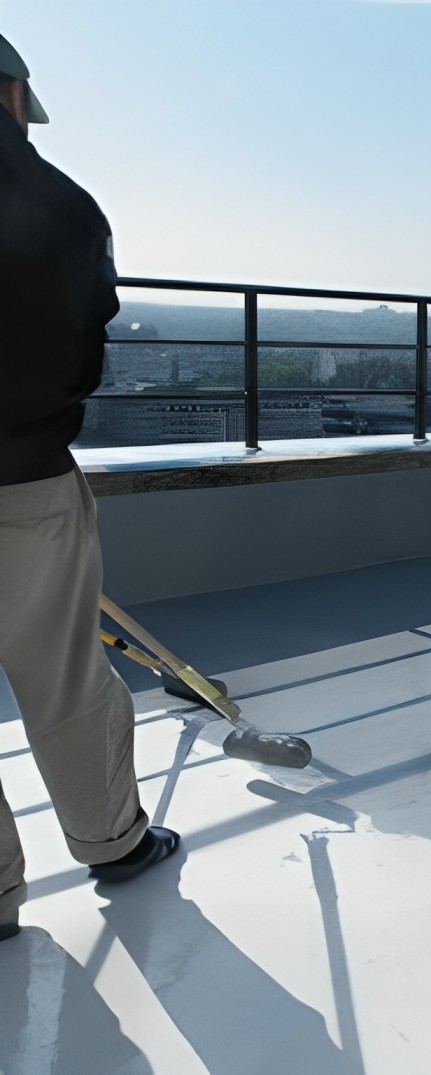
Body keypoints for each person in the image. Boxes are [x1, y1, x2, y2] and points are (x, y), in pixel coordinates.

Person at [0, 32, 178, 943]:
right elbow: (88, 336)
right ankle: (111, 841)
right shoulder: (64, 206)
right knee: (63, 674)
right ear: (13, 94)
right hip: (25, 475)